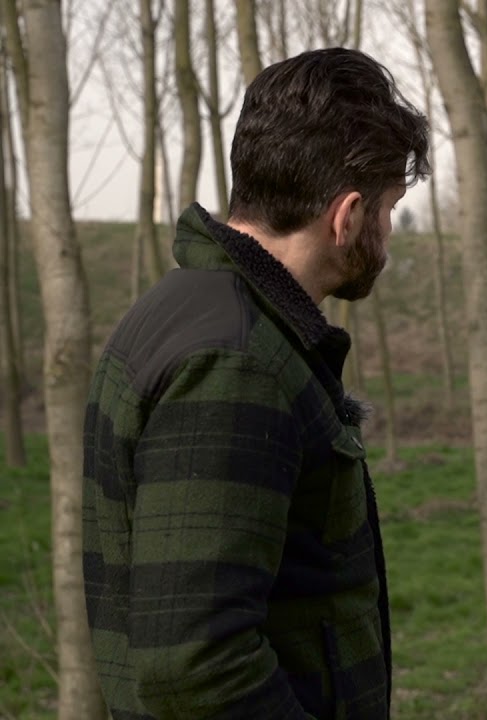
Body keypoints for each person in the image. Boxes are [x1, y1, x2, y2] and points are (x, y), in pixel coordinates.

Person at [82, 47, 429, 719]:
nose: (388, 233)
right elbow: (196, 666)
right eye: (388, 210)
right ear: (348, 215)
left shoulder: (189, 309)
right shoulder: (236, 363)